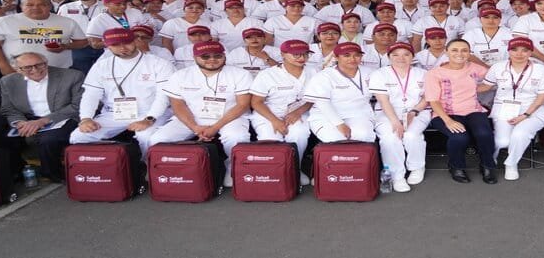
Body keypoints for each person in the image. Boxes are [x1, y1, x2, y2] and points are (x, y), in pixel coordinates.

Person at [149, 41, 253, 187]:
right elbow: (178, 105)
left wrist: (215, 127)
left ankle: (233, 168)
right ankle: (170, 171)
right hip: (192, 117)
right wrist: (195, 127)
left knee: (237, 136)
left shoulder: (240, 74)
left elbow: (242, 105)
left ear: (224, 56)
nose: (212, 59)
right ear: (195, 57)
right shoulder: (181, 75)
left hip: (229, 116)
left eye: (217, 55)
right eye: (205, 56)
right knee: (159, 138)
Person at [69, 28, 175, 159]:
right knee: (79, 136)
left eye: (127, 42)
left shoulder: (159, 64)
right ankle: (112, 167)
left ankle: (149, 168)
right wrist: (85, 118)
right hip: (114, 113)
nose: (122, 48)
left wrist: (149, 119)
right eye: (115, 45)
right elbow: (91, 95)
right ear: (107, 46)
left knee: (147, 136)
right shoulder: (101, 66)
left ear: (135, 41)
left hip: (151, 112)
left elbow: (163, 96)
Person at [0, 52, 84, 182]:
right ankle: (15, 174)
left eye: (39, 65)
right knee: (4, 139)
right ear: (18, 69)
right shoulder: (8, 81)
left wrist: (44, 120)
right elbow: (8, 108)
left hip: (61, 117)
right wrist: (20, 123)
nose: (35, 70)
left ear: (46, 63)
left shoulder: (71, 76)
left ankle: (52, 174)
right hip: (27, 118)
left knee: (50, 140)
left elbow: (77, 105)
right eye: (28, 67)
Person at [482, 37, 544, 181]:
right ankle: (491, 158)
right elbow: (486, 86)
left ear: (530, 52)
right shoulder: (498, 67)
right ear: (508, 51)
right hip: (505, 106)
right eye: (514, 50)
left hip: (534, 108)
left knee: (520, 134)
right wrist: (462, 87)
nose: (519, 54)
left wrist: (525, 115)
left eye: (525, 50)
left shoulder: (541, 69)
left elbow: (542, 97)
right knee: (503, 141)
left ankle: (511, 164)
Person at [424, 39, 497, 184]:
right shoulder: (434, 73)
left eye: (464, 50)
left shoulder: (474, 67)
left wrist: (480, 88)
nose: (460, 53)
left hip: (473, 110)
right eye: (454, 50)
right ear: (446, 52)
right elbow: (433, 100)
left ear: (469, 53)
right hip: (445, 113)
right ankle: (456, 167)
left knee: (484, 133)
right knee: (460, 137)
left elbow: (493, 78)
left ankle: (487, 165)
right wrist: (448, 120)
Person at [248, 40, 317, 185]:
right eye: (296, 54)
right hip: (269, 113)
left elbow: (314, 97)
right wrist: (275, 120)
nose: (301, 58)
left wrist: (298, 112)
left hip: (299, 111)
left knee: (299, 133)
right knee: (270, 137)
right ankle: (274, 172)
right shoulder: (268, 74)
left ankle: (295, 169)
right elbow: (256, 102)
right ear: (283, 55)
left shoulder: (314, 71)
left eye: (305, 54)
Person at [369, 42, 432, 191]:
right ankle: (397, 176)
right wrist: (395, 121)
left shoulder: (423, 74)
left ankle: (417, 167)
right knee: (390, 138)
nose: (401, 58)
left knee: (411, 135)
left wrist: (414, 112)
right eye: (395, 55)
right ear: (389, 57)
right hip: (387, 112)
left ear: (413, 56)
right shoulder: (379, 74)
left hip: (417, 111)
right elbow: (383, 100)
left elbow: (427, 97)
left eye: (406, 54)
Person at [0, 0, 89, 75]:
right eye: (30, 5)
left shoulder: (67, 22)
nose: (36, 8)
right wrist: (4, 67)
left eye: (42, 4)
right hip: (19, 72)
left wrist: (65, 46)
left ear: (49, 6)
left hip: (59, 72)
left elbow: (83, 42)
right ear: (21, 6)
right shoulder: (4, 21)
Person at [304, 42, 377, 143]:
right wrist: (339, 124)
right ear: (336, 57)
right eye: (346, 55)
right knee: (336, 139)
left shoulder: (371, 73)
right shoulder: (324, 76)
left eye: (357, 55)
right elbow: (322, 103)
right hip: (326, 116)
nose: (352, 59)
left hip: (359, 114)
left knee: (363, 136)